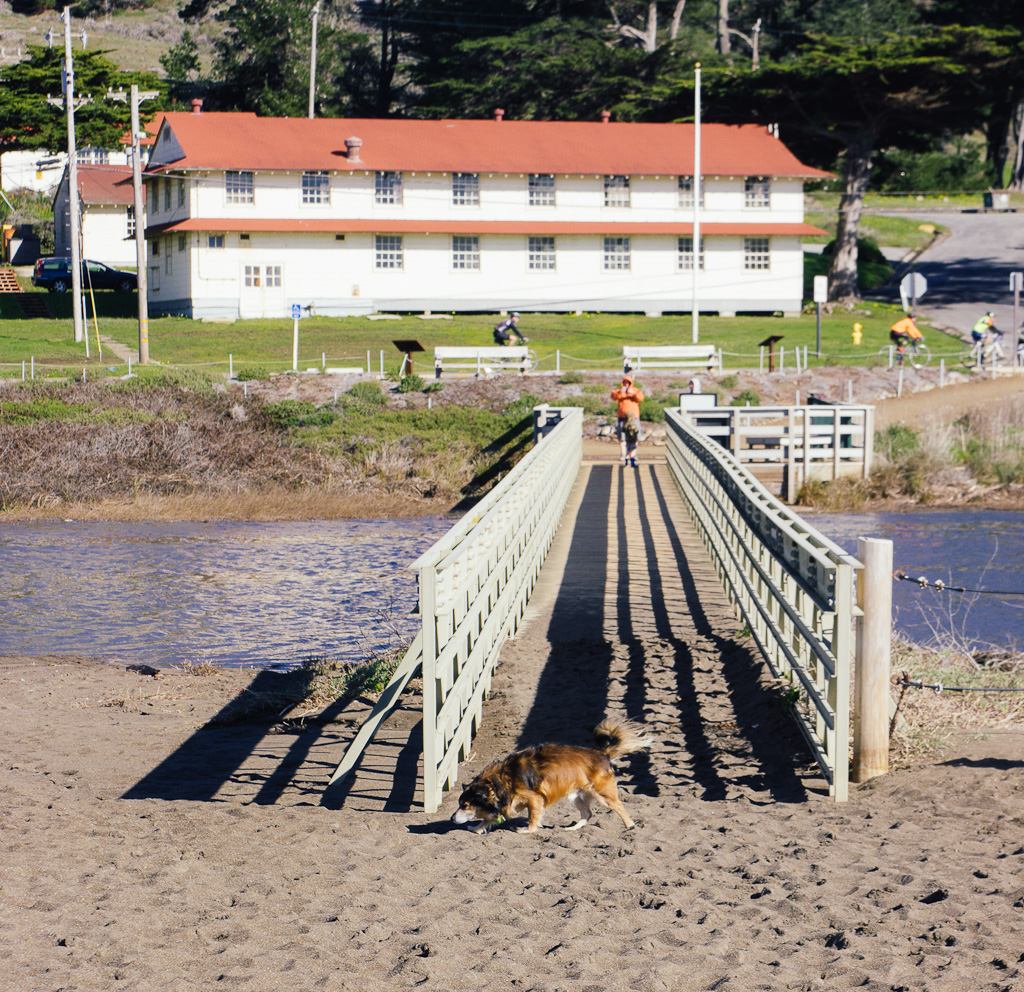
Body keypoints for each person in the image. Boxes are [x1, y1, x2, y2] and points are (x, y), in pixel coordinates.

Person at [611, 374, 644, 467]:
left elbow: (640, 398)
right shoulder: (619, 391)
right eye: (625, 382)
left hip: (634, 418)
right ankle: (623, 454)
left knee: (635, 436)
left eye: (628, 383)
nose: (626, 384)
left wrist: (632, 393)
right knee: (622, 436)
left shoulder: (635, 390)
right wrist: (621, 392)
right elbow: (613, 396)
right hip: (622, 417)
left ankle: (633, 454)